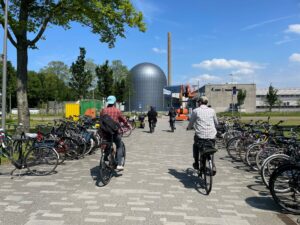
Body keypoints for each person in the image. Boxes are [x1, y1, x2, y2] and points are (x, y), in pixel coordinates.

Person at [186, 96, 218, 174]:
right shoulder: (212, 110)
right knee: (210, 147)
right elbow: (216, 123)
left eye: (198, 102)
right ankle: (212, 164)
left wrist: (188, 128)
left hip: (200, 136)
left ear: (200, 102)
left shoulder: (196, 111)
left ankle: (196, 162)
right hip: (211, 136)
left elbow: (191, 122)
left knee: (195, 145)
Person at [100, 95, 130, 170]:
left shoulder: (103, 110)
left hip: (106, 133)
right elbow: (123, 120)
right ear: (114, 102)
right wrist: (128, 125)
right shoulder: (117, 111)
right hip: (115, 132)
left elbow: (100, 121)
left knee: (107, 144)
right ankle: (119, 164)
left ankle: (105, 158)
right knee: (119, 146)